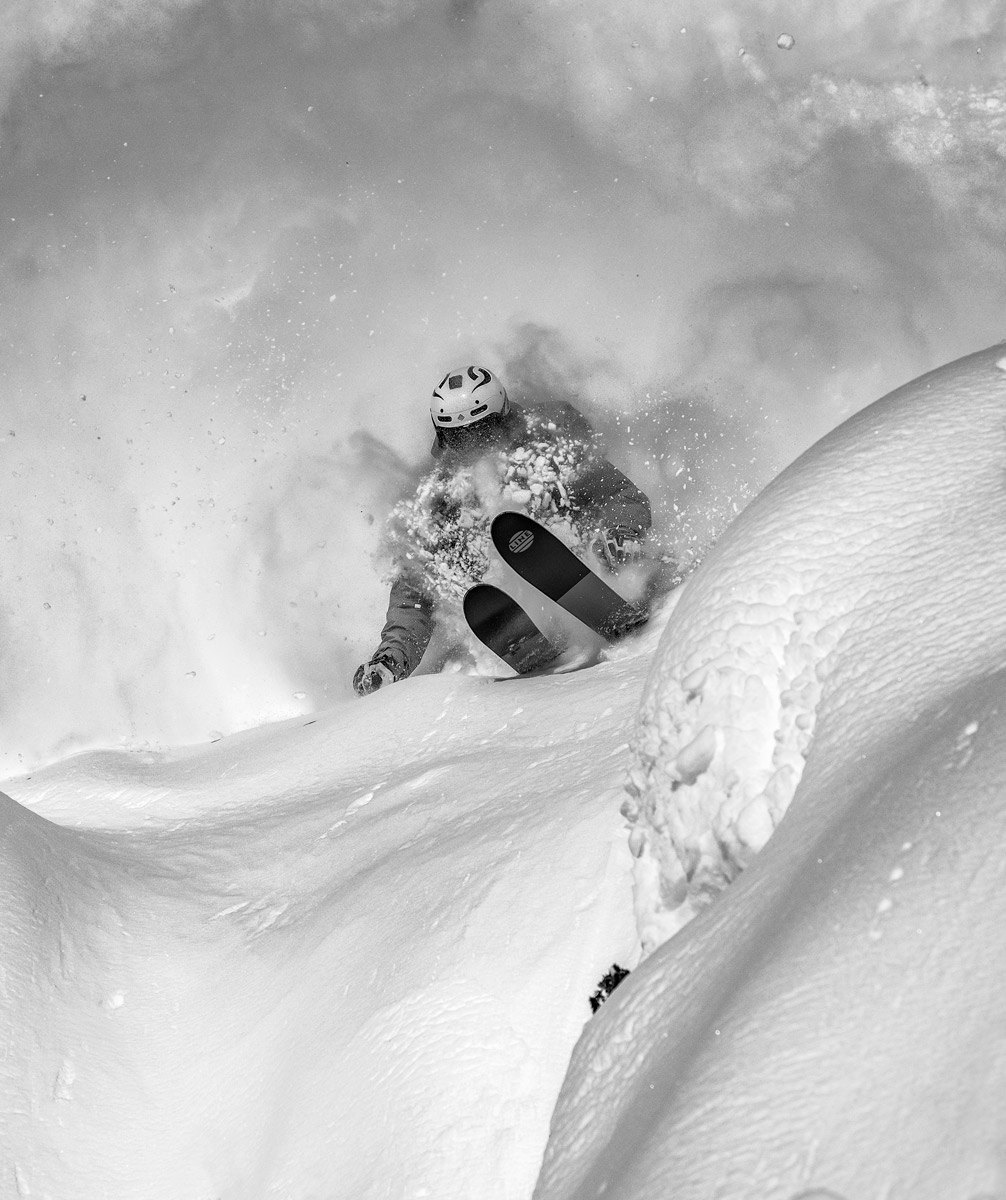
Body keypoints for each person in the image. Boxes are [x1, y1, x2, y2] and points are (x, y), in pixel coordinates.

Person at [353, 364, 653, 695]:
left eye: (482, 431)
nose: (473, 445)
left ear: (503, 419)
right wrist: (390, 659)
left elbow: (619, 495)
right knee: (448, 559)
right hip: (508, 597)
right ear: (444, 439)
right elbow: (414, 589)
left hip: (591, 563)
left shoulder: (550, 449)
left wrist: (621, 533)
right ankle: (526, 632)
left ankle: (610, 595)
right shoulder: (440, 499)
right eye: (460, 438)